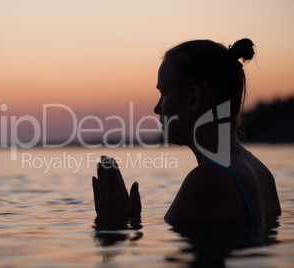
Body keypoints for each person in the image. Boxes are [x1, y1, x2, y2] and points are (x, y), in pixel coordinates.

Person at [92, 38, 281, 220]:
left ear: (194, 98)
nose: (157, 108)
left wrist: (113, 223)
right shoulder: (262, 173)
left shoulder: (207, 179)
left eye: (163, 94)